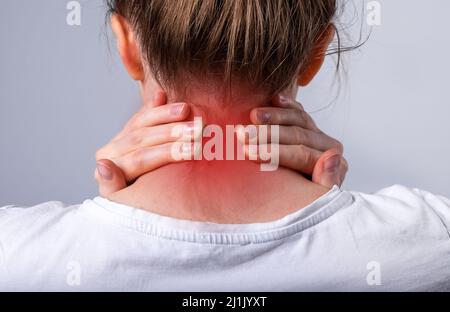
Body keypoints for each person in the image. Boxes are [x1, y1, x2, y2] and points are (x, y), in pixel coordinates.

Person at [1, 0, 449, 291]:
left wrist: (106, 224)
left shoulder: (16, 258)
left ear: (128, 47)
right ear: (317, 53)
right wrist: (348, 216)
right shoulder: (433, 241)